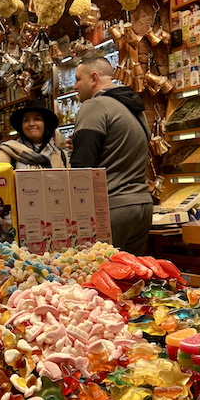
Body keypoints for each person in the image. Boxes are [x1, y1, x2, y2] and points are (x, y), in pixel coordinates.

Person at [70, 57, 152, 255]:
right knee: (131, 279)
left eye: (78, 79)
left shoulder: (95, 106)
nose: (75, 86)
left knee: (95, 279)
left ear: (93, 78)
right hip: (142, 206)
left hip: (112, 208)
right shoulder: (136, 110)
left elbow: (82, 167)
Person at [0, 100, 69, 169]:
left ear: (46, 124)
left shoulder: (61, 155)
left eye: (37, 119)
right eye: (26, 120)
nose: (31, 124)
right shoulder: (8, 152)